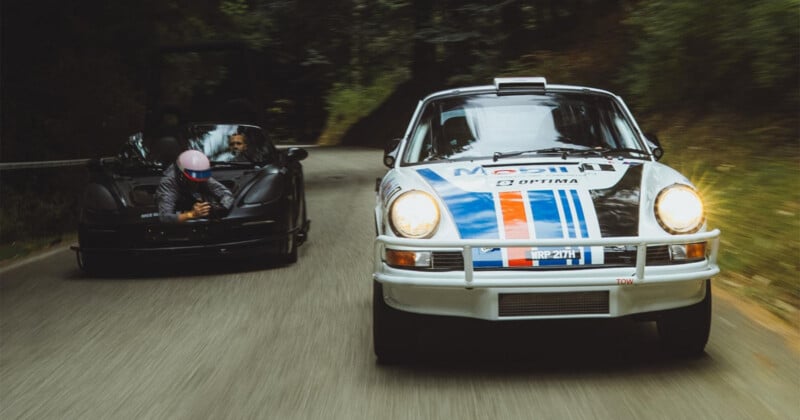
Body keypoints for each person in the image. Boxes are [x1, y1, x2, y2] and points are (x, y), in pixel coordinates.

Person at [155, 150, 234, 223]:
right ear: (182, 174)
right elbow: (165, 217)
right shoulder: (168, 183)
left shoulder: (199, 172)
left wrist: (217, 208)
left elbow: (226, 194)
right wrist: (191, 214)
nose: (198, 182)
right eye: (194, 180)